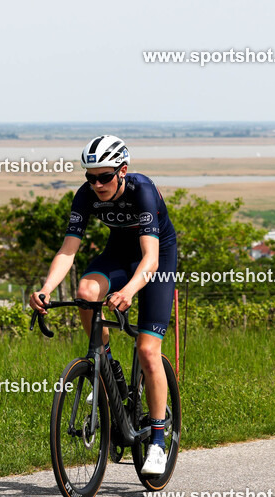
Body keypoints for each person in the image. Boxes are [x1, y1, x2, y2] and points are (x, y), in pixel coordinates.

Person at [29, 135, 177, 475]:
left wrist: (128, 291)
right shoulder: (85, 196)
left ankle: (156, 440)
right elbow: (68, 250)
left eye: (104, 177)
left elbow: (150, 259)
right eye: (90, 177)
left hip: (155, 258)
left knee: (147, 349)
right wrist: (46, 288)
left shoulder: (142, 190)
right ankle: (105, 366)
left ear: (122, 171)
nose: (96, 184)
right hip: (118, 255)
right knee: (85, 290)